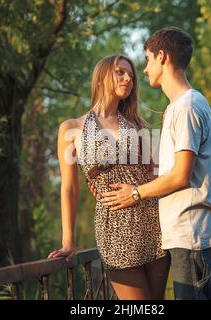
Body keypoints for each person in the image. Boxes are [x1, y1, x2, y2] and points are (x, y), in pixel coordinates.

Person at [99, 27, 211, 300]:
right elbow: (173, 169)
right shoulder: (177, 108)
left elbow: (181, 175)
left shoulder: (187, 106)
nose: (143, 70)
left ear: (162, 56)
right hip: (186, 237)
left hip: (192, 234)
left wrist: (134, 193)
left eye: (147, 60)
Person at [48, 54, 170, 300]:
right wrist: (68, 242)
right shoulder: (71, 129)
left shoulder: (139, 126)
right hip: (114, 230)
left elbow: (158, 176)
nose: (128, 79)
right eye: (120, 72)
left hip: (155, 226)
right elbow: (69, 189)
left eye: (131, 76)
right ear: (102, 77)